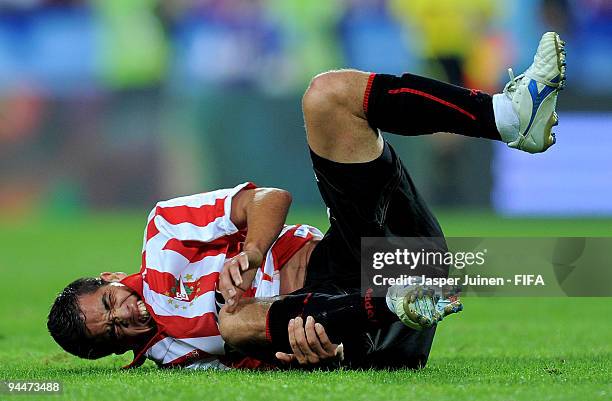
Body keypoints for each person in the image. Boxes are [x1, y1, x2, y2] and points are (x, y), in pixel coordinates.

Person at [47, 32, 566, 369]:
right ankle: (400, 301)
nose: (128, 316)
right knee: (234, 323)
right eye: (114, 332)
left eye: (111, 304)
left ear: (110, 278)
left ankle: (507, 117)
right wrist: (307, 352)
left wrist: (250, 256)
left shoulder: (164, 232)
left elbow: (272, 198)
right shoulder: (171, 357)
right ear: (117, 351)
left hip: (379, 254)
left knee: (327, 95)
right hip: (368, 334)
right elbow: (267, 353)